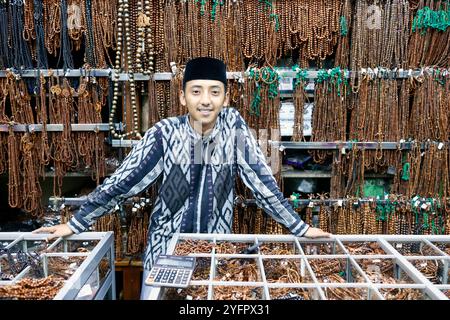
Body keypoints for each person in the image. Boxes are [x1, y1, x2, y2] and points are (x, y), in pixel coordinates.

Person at [34, 57, 331, 298]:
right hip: (166, 248)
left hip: (214, 248)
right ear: (182, 96)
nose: (205, 100)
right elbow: (123, 181)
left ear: (226, 98)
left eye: (215, 91)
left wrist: (300, 228)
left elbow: (262, 184)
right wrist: (77, 221)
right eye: (196, 91)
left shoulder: (235, 131)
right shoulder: (165, 133)